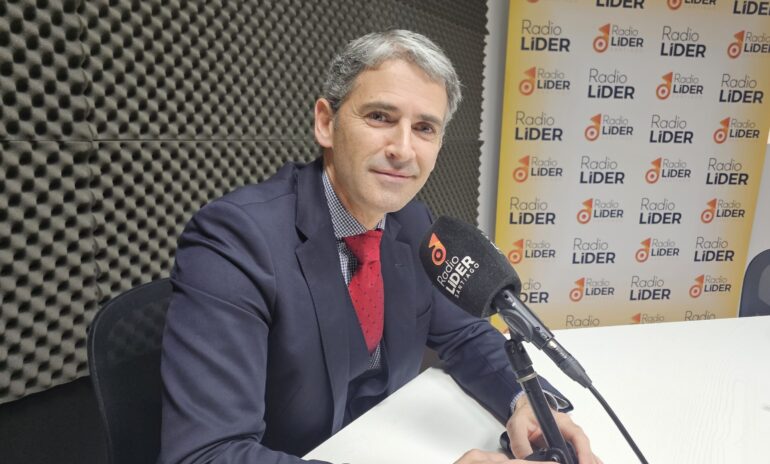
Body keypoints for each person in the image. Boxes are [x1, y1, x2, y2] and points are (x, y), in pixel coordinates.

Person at [158, 30, 600, 464]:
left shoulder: (413, 223)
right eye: (380, 117)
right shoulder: (235, 238)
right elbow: (206, 455)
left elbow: (465, 334)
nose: (403, 150)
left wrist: (527, 401)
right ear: (326, 123)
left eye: (424, 128)